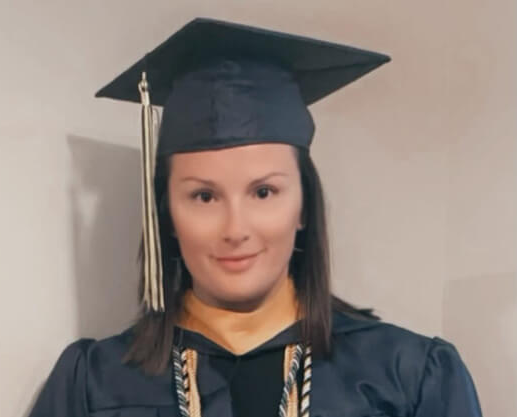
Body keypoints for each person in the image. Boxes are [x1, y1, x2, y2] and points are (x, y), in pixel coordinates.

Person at [29, 18, 482, 417]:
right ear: (165, 214)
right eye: (204, 196)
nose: (236, 229)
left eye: (264, 191)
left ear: (303, 205)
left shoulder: (409, 377)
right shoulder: (93, 385)